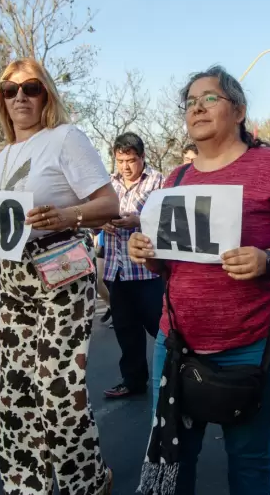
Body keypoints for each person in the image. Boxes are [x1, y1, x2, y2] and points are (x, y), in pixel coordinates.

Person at [129, 65, 270, 495]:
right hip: (177, 343)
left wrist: (268, 260)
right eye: (191, 102)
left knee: (249, 459)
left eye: (210, 98)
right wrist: (147, 256)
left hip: (258, 344)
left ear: (238, 110)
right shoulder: (176, 179)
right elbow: (169, 267)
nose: (197, 107)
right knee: (171, 458)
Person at [0, 57, 120, 494]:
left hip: (61, 269)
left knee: (59, 393)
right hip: (13, 277)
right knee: (18, 389)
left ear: (47, 95)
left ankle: (87, 481)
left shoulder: (65, 138)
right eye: (10, 90)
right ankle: (29, 486)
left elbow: (109, 204)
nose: (20, 96)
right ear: (1, 100)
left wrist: (68, 213)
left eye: (31, 88)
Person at [102, 132, 165, 399]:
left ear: (142, 157)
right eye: (120, 160)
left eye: (131, 160)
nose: (125, 167)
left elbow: (168, 218)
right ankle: (133, 380)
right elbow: (96, 212)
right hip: (116, 269)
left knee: (160, 327)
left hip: (146, 269)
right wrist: (102, 221)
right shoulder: (109, 183)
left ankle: (177, 375)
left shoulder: (158, 181)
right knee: (126, 331)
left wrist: (138, 221)